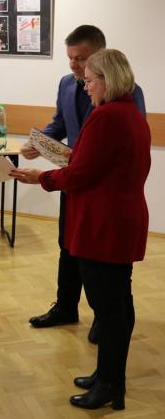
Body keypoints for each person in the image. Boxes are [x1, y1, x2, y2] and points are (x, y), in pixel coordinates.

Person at [11, 49, 151, 410]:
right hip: (121, 218)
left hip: (104, 223)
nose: (85, 87)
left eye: (89, 81)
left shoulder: (107, 116)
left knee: (109, 310)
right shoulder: (130, 113)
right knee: (117, 302)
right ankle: (107, 376)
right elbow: (98, 163)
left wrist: (40, 178)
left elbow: (81, 175)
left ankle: (110, 385)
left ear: (107, 78)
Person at [21, 25, 146, 343]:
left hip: (101, 189)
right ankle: (65, 307)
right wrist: (40, 142)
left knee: (108, 264)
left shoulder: (128, 92)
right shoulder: (66, 83)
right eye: (71, 58)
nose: (74, 65)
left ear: (100, 56)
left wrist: (73, 165)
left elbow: (129, 141)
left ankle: (105, 317)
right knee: (68, 245)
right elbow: (60, 123)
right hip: (73, 181)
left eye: (81, 58)